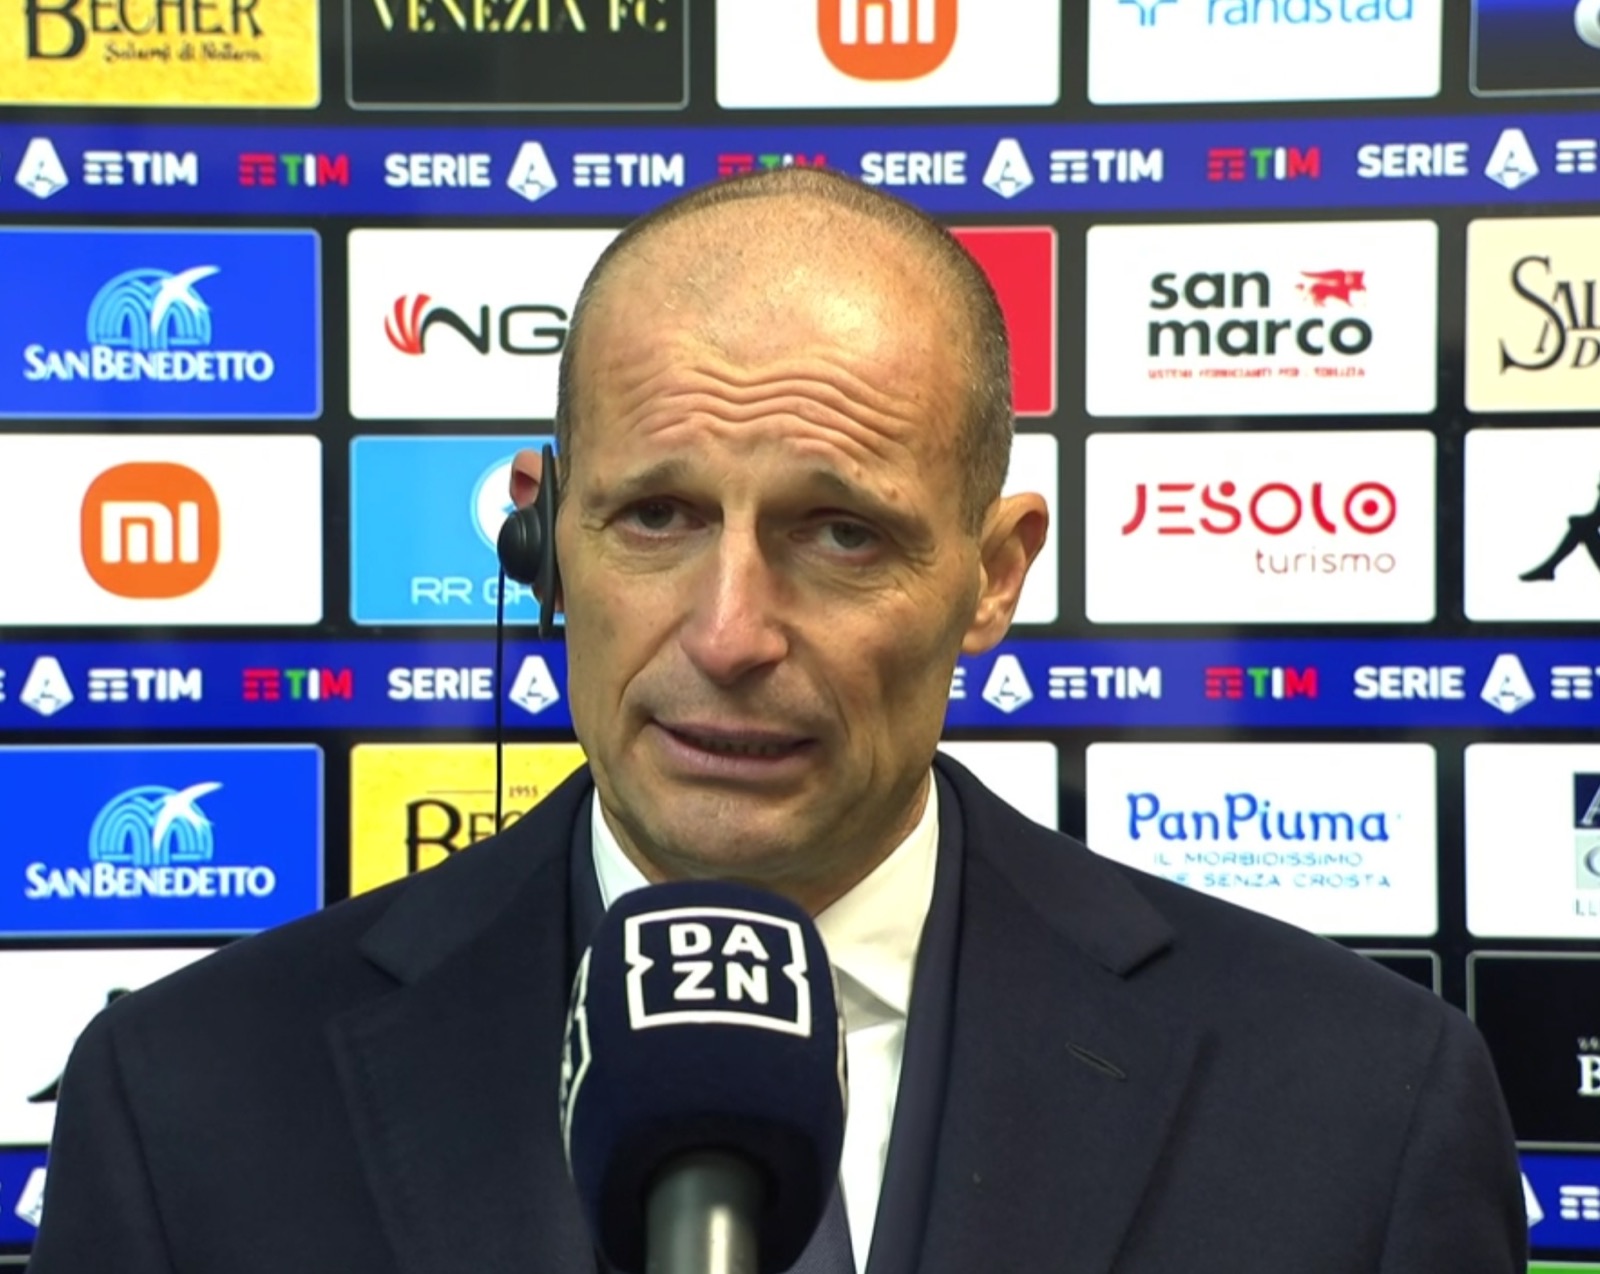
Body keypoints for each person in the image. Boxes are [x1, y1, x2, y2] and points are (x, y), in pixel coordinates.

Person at [30, 168, 1526, 1273]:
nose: (730, 634)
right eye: (657, 516)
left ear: (993, 576)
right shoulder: (188, 1101)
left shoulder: (1358, 1104)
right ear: (543, 543)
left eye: (840, 533)